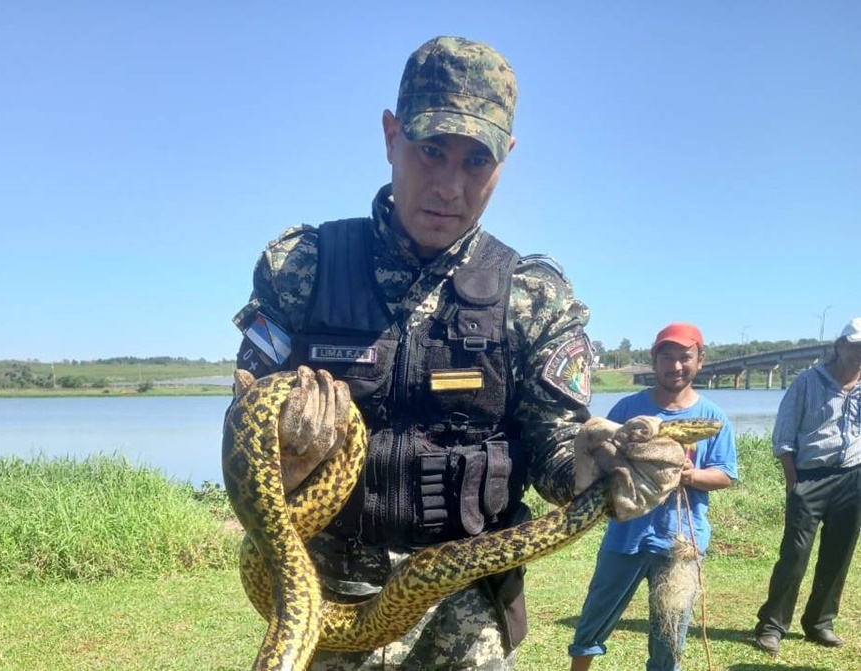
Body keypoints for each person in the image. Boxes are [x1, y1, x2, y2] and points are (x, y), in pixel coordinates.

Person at [229, 36, 682, 670]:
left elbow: (553, 447)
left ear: (507, 160)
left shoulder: (534, 295)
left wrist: (592, 463)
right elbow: (244, 427)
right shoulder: (301, 267)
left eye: (477, 162)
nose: (449, 185)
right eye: (431, 150)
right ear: (391, 137)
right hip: (319, 596)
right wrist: (288, 451)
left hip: (466, 618)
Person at [568, 323, 738, 671]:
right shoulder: (628, 408)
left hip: (679, 542)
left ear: (700, 360)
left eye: (685, 358)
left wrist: (685, 475)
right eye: (667, 357)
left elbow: (724, 474)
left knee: (669, 633)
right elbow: (601, 457)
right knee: (594, 620)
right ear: (654, 360)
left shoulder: (712, 417)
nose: (675, 366)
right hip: (625, 537)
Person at [753, 317, 861, 657]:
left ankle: (819, 623)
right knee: (795, 555)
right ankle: (772, 626)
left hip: (852, 478)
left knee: (839, 554)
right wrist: (793, 484)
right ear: (841, 345)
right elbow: (783, 438)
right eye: (856, 346)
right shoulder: (806, 382)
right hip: (808, 478)